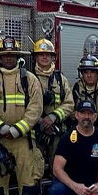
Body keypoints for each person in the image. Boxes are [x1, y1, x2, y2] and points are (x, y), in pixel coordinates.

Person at [0, 37, 44, 195]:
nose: (8, 58)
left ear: (17, 57)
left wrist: (17, 129)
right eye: (5, 55)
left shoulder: (30, 79)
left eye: (12, 55)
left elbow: (36, 108)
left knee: (29, 185)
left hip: (24, 140)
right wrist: (0, 127)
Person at [48, 100, 98, 195]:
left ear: (95, 117)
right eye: (83, 113)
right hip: (71, 186)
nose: (86, 117)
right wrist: (75, 187)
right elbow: (57, 169)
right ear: (76, 115)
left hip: (95, 188)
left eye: (90, 113)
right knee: (56, 190)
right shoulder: (67, 138)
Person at [31, 39, 74, 177]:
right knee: (35, 170)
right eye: (41, 54)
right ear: (36, 57)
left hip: (57, 133)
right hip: (36, 132)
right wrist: (41, 122)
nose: (44, 57)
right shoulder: (28, 78)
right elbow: (25, 105)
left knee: (58, 170)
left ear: (52, 57)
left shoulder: (60, 79)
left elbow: (69, 104)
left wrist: (53, 117)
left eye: (47, 54)